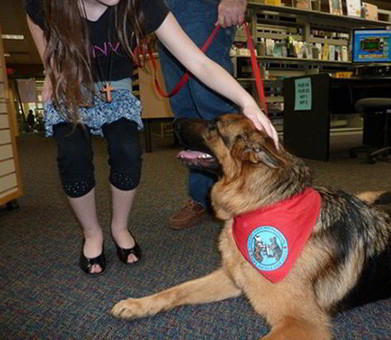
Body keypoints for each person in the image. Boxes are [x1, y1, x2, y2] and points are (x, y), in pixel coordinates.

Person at [25, 0, 278, 275]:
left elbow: (200, 63)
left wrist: (247, 103)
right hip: (71, 85)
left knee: (127, 151)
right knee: (73, 155)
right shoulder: (47, 3)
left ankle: (120, 227)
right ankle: (92, 233)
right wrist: (50, 68)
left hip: (116, 89)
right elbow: (33, 19)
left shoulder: (143, 4)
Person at [159, 0, 248, 229]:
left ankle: (247, 198)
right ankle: (202, 197)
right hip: (166, 8)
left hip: (203, 7)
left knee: (214, 107)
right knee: (185, 112)